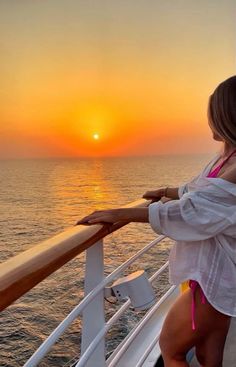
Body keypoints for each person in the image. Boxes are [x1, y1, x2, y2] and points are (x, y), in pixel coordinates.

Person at [77, 75, 236, 367]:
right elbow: (198, 192)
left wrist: (121, 213)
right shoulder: (227, 156)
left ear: (227, 117)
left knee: (172, 349)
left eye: (214, 115)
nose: (210, 122)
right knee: (207, 354)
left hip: (218, 278)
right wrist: (167, 192)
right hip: (215, 274)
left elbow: (194, 211)